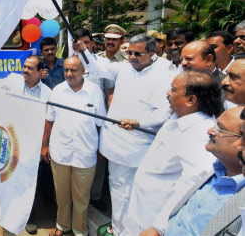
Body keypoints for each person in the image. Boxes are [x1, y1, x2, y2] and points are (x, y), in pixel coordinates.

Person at [73, 34, 174, 235]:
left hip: (143, 146)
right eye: (129, 53)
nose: (132, 57)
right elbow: (96, 68)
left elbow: (167, 110)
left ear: (152, 54)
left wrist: (140, 123)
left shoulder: (166, 72)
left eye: (138, 53)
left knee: (140, 193)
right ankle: (117, 229)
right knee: (118, 191)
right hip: (117, 145)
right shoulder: (124, 67)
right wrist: (83, 50)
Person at [126, 71, 223, 235]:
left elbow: (191, 184)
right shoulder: (177, 118)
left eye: (173, 89)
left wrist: (159, 226)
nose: (168, 93)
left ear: (191, 100)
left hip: (156, 220)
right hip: (143, 210)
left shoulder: (200, 134)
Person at [0, 55, 51, 234]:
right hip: (11, 141)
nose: (25, 70)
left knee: (29, 182)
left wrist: (44, 145)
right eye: (24, 66)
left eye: (30, 68)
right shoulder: (13, 81)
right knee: (8, 177)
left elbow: (49, 120)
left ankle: (28, 219)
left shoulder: (48, 94)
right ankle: (6, 214)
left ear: (40, 72)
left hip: (32, 146)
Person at [144, 106, 245, 236]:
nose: (210, 130)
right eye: (215, 124)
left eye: (221, 128)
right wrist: (158, 229)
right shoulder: (215, 170)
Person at [42, 56, 106, 236]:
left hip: (86, 153)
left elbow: (101, 123)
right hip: (60, 151)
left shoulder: (94, 91)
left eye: (74, 70)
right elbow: (49, 119)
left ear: (83, 71)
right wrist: (44, 145)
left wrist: (102, 149)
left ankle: (80, 230)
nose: (69, 74)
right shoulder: (58, 90)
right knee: (62, 195)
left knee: (81, 197)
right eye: (66, 70)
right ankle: (62, 225)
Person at [71, 28, 115, 211]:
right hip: (73, 121)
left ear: (92, 44)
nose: (83, 46)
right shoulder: (69, 64)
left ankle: (95, 195)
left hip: (97, 122)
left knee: (98, 158)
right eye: (78, 43)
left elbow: (109, 94)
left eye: (86, 43)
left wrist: (110, 124)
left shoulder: (104, 64)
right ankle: (74, 197)